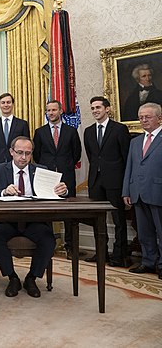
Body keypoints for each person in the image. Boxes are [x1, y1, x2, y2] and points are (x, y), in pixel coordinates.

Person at [0, 136, 67, 298]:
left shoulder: (41, 170)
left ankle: (32, 278)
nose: (23, 157)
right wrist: (4, 192)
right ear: (11, 152)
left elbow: (56, 193)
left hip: (33, 222)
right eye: (20, 153)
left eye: (28, 154)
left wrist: (63, 191)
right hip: (7, 221)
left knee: (48, 239)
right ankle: (12, 277)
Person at [83, 96, 131, 267]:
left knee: (118, 220)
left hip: (115, 181)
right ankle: (101, 253)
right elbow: (92, 157)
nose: (95, 111)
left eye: (98, 107)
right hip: (96, 181)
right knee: (98, 220)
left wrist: (127, 185)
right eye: (93, 108)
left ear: (107, 109)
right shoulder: (88, 131)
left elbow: (126, 158)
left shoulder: (119, 129)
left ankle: (120, 255)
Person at [33, 100, 81, 257]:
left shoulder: (71, 131)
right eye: (48, 110)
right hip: (45, 178)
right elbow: (37, 155)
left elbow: (76, 153)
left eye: (54, 110)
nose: (51, 113)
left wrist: (64, 165)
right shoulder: (40, 132)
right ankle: (48, 244)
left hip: (66, 176)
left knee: (69, 214)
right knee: (46, 212)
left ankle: (70, 246)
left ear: (60, 111)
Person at [122, 103, 162, 279]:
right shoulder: (135, 141)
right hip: (137, 192)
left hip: (158, 192)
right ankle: (148, 262)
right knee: (144, 233)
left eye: (148, 117)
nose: (143, 120)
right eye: (141, 117)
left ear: (159, 118)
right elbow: (129, 167)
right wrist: (126, 191)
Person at [0, 93, 30, 175]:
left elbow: (27, 147)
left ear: (13, 104)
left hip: (17, 166)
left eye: (8, 102)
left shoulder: (22, 124)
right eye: (3, 102)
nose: (6, 105)